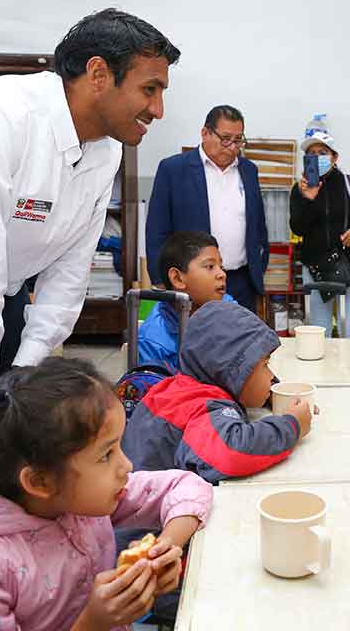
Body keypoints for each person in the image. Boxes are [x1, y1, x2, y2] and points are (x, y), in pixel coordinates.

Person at [0, 9, 180, 431]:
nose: (158, 109)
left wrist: (21, 373)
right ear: (99, 73)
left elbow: (69, 273)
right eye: (150, 89)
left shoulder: (105, 151)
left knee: (4, 433)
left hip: (3, 297)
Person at [0, 357, 213, 630]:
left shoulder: (70, 497)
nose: (127, 465)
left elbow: (184, 486)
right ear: (39, 482)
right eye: (106, 455)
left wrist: (163, 549)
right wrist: (94, 623)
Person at [123, 301, 314, 483]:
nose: (270, 374)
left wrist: (273, 393)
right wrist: (292, 426)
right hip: (149, 512)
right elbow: (231, 451)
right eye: (265, 365)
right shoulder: (205, 406)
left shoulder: (187, 386)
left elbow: (247, 382)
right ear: (236, 371)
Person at [146, 105, 268, 312]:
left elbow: (258, 225)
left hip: (242, 280)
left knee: (239, 340)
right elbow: (157, 230)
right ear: (205, 133)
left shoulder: (248, 170)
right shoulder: (174, 169)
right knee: (194, 340)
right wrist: (160, 280)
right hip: (193, 282)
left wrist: (259, 266)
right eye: (226, 138)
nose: (232, 146)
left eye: (238, 140)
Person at [289, 131, 350, 338]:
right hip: (316, 266)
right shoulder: (299, 190)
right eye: (311, 153)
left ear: (334, 157)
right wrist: (309, 199)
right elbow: (297, 228)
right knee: (319, 328)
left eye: (323, 152)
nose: (317, 157)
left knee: (348, 326)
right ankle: (322, 370)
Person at [137, 231, 235, 370]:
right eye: (210, 267)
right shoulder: (154, 341)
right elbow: (155, 390)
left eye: (221, 267)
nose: (222, 274)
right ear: (177, 278)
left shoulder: (227, 304)